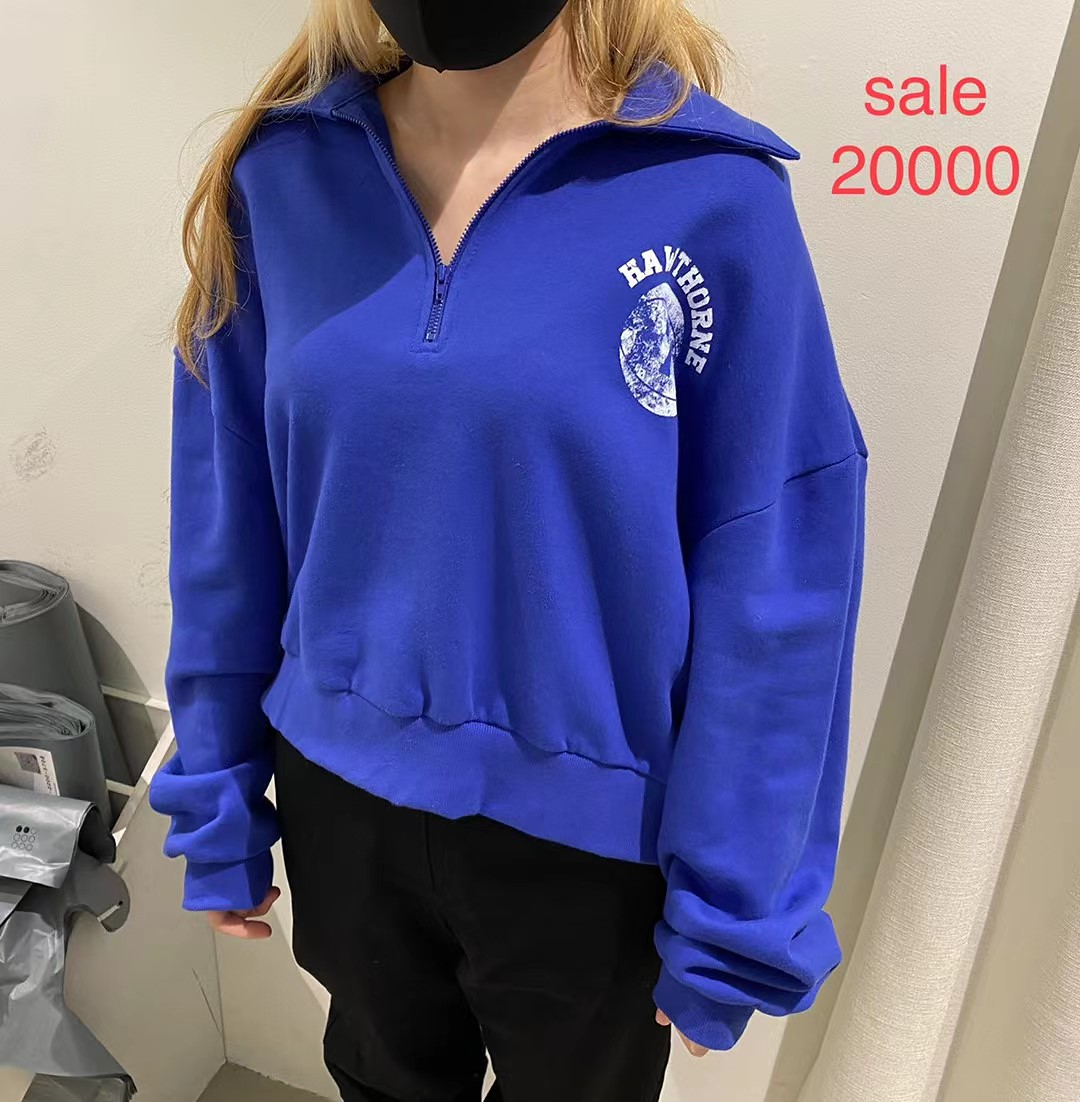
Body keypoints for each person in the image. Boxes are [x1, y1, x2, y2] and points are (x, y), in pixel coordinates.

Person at [149, 2, 869, 1099]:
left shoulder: (714, 197)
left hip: (593, 849)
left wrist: (737, 906)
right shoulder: (280, 177)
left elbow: (775, 571)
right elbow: (225, 515)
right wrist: (216, 788)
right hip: (341, 806)